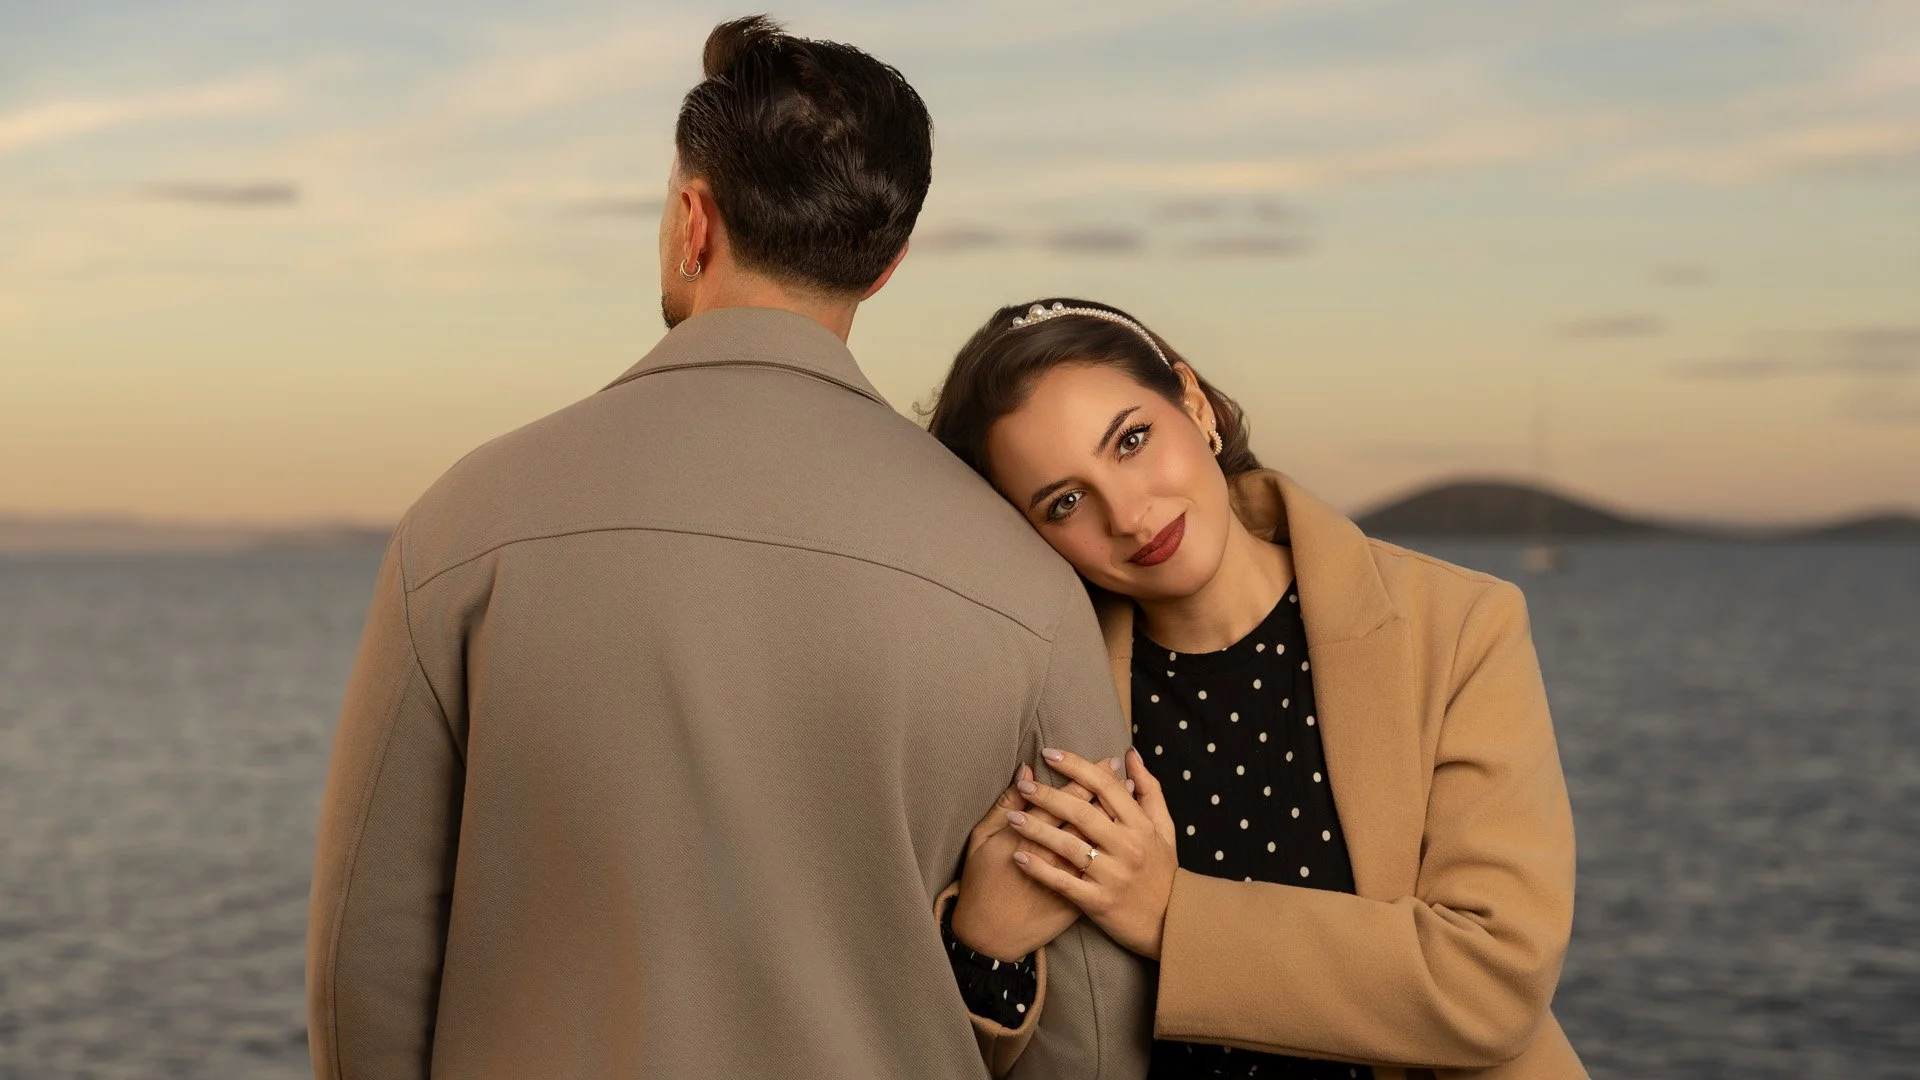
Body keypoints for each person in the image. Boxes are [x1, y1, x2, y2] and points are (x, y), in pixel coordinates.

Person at [305, 22, 1151, 1080]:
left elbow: (366, 964)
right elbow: (1091, 1032)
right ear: (886, 264)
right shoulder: (1029, 589)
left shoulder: (464, 524)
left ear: (693, 223)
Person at [923, 299, 1588, 1080]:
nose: (1129, 516)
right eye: (1064, 502)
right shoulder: (1030, 699)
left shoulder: (1459, 626)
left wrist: (1170, 917)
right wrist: (981, 949)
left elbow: (1493, 982)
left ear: (1194, 404)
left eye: (1131, 440)